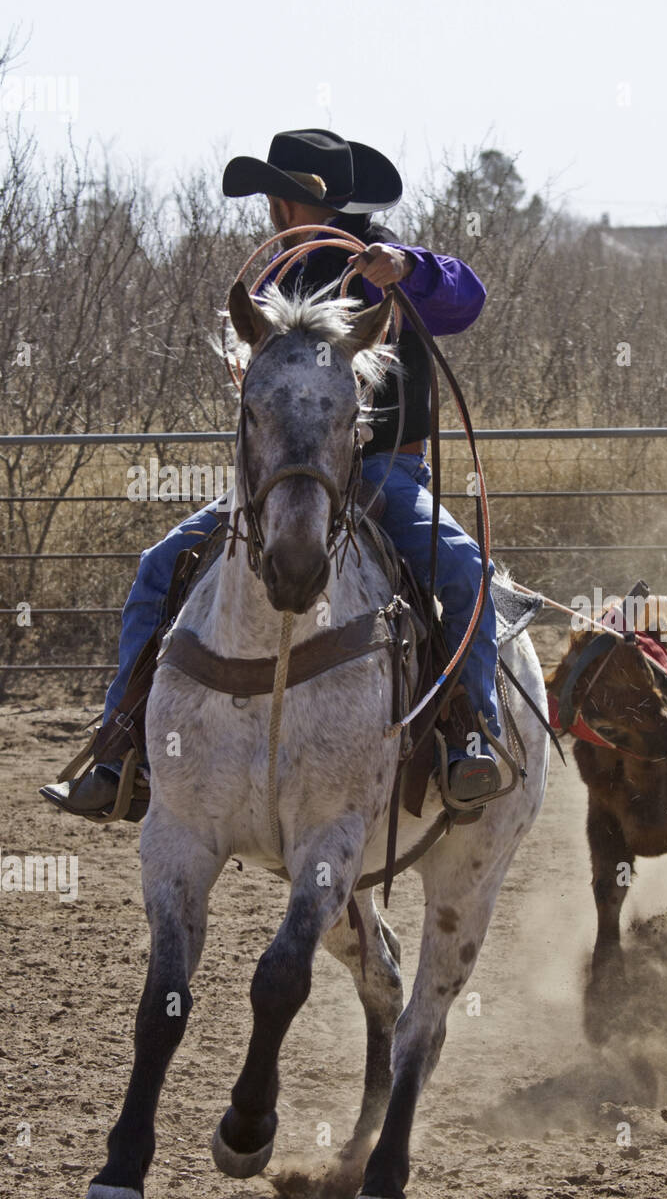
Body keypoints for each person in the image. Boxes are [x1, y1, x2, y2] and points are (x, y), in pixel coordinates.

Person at [42, 128, 502, 822]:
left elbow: (466, 299)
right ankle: (120, 746)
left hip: (381, 472)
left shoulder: (383, 266)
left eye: (274, 195)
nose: (269, 209)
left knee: (464, 567)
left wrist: (407, 267)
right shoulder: (271, 282)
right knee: (160, 565)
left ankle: (471, 733)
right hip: (281, 481)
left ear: (292, 203)